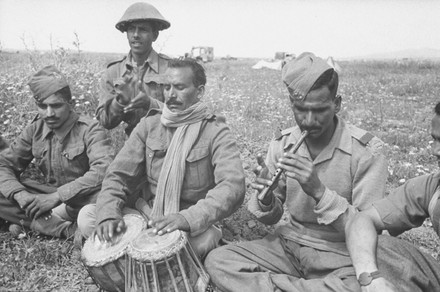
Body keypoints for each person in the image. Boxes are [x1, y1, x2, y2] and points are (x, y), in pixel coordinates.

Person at [205, 52, 389, 292]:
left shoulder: (367, 151)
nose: (309, 120)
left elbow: (369, 228)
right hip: (290, 246)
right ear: (292, 104)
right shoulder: (282, 143)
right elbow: (272, 218)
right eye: (301, 110)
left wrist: (319, 192)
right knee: (218, 260)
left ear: (337, 104)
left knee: (367, 282)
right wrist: (267, 198)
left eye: (320, 110)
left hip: (342, 254)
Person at [78, 58, 245, 259]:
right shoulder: (149, 125)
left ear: (199, 91)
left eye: (180, 87)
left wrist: (185, 218)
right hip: (149, 216)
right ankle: (147, 251)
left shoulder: (216, 131)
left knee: (205, 239)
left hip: (188, 223)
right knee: (88, 216)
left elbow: (232, 186)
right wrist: (108, 216)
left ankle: (139, 254)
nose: (171, 95)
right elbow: (118, 175)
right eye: (166, 87)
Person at [0, 65, 114, 239]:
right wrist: (19, 194)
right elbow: (5, 164)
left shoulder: (90, 129)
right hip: (47, 196)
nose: (49, 113)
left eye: (56, 105)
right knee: (7, 188)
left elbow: (102, 170)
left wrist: (57, 196)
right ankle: (67, 231)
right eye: (42, 106)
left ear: (71, 104)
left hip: (82, 197)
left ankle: (37, 224)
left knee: (105, 197)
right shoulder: (34, 130)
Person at [344, 102, 440, 292]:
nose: (436, 151)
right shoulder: (432, 186)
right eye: (436, 140)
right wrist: (370, 277)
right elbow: (362, 220)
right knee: (379, 247)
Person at [96, 2, 171, 136]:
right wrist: (119, 102)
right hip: (132, 147)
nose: (136, 35)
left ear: (155, 35)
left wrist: (150, 103)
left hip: (167, 143)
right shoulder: (113, 72)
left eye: (143, 29)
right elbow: (105, 122)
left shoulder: (171, 69)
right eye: (131, 29)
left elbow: (185, 114)